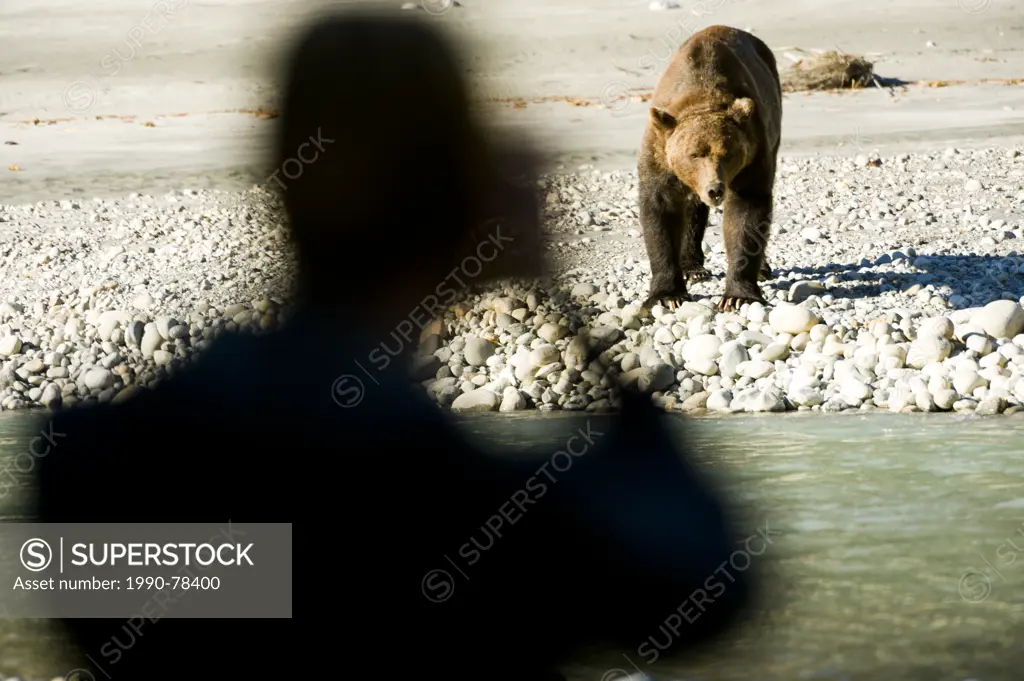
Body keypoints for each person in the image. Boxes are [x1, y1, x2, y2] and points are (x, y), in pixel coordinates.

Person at [35, 7, 760, 681]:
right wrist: (551, 285)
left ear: (279, 177)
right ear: (467, 203)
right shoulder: (500, 522)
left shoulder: (89, 466)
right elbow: (707, 577)